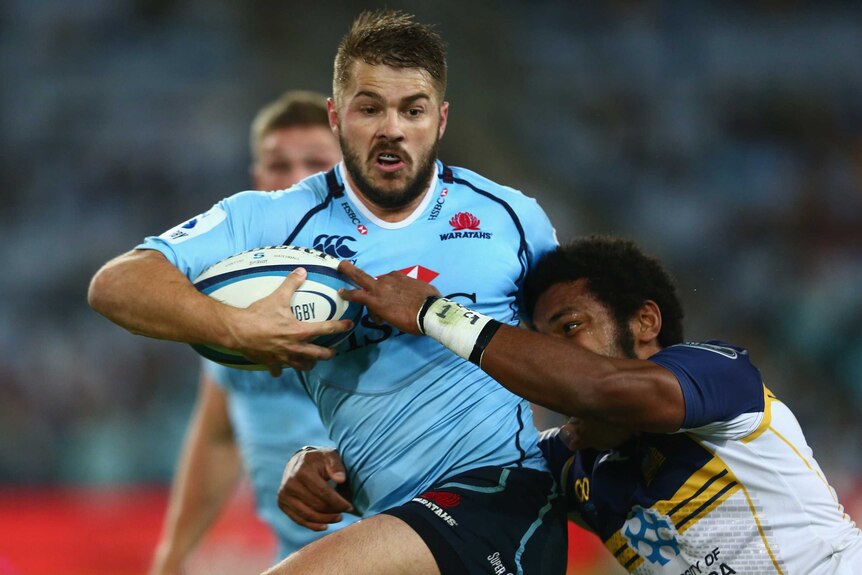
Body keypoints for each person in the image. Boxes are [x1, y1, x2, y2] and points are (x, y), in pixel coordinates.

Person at [88, 10, 567, 575]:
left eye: (411, 110)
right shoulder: (274, 220)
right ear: (337, 118)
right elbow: (116, 283)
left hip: (502, 498)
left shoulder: (512, 218)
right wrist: (234, 328)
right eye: (370, 108)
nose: (392, 128)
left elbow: (582, 355)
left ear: (439, 120)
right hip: (390, 518)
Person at [304, 234, 861, 573]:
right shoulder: (573, 465)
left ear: (646, 323)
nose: (552, 361)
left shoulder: (721, 375)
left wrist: (440, 316)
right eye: (540, 343)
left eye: (569, 328)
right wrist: (326, 471)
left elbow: (605, 388)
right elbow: (450, 471)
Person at [148, 91, 353, 575]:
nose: (295, 180)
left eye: (316, 162)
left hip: (390, 549)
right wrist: (172, 556)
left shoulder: (376, 284)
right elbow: (219, 436)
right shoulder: (232, 296)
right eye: (278, 165)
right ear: (257, 181)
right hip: (294, 557)